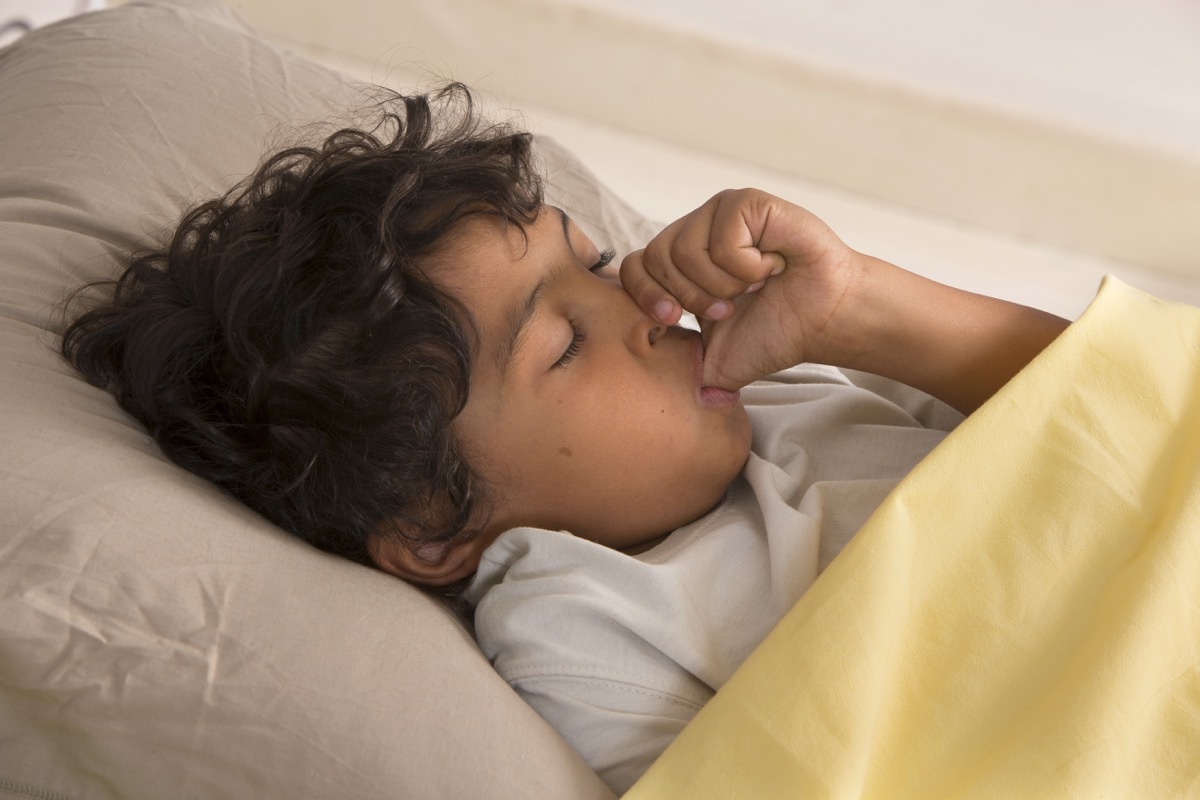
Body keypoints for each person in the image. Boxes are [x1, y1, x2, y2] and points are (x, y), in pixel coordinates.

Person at [61, 84, 1068, 792]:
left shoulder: (787, 389)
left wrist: (865, 308)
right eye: (564, 343)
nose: (644, 303)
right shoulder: (582, 611)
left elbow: (1124, 417)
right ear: (434, 523)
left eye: (604, 259)